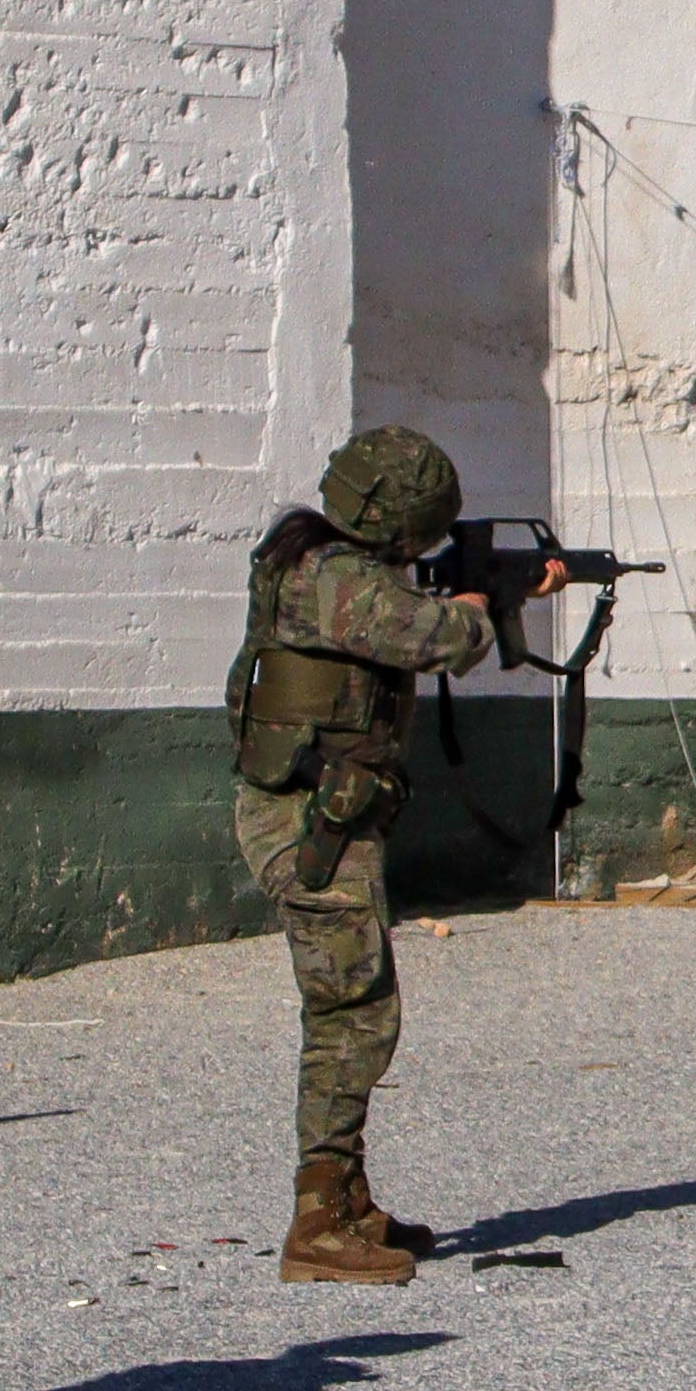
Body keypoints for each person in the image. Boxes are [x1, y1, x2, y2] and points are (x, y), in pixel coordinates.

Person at [228, 425, 560, 1285]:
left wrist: (503, 590)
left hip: (325, 815)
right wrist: (483, 608)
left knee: (356, 1006)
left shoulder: (319, 556)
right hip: (311, 827)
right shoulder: (331, 577)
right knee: (353, 1014)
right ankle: (317, 1223)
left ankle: (346, 1199)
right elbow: (436, 638)